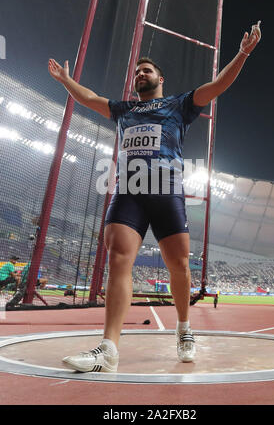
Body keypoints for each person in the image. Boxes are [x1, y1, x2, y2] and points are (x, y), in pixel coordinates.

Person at [48, 21, 261, 373]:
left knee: (179, 265)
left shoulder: (180, 104)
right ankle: (108, 348)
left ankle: (184, 328)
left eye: (145, 70)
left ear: (160, 79)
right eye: (136, 72)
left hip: (165, 187)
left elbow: (218, 85)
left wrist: (242, 54)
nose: (139, 74)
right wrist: (66, 81)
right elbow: (88, 98)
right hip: (129, 189)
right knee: (118, 257)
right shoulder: (122, 110)